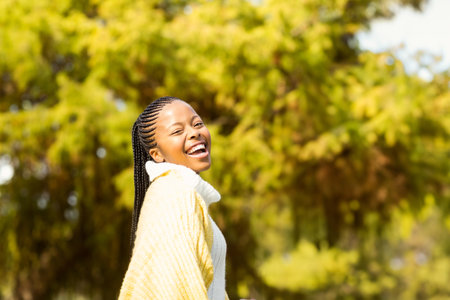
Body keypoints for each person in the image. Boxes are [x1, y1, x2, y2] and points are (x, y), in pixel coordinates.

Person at [119, 96, 228, 300]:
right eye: (177, 131)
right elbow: (175, 289)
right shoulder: (176, 196)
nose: (194, 133)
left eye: (198, 124)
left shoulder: (177, 192)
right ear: (157, 154)